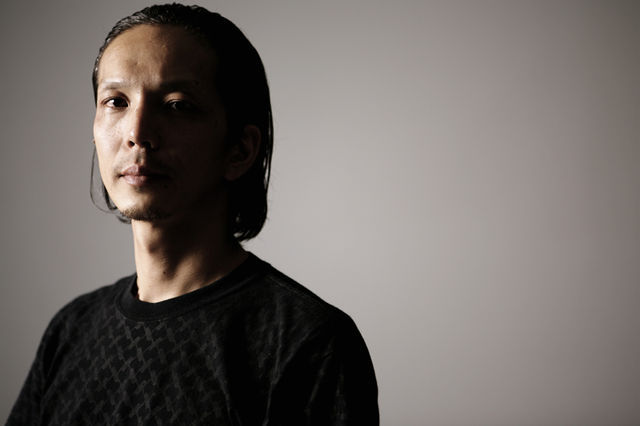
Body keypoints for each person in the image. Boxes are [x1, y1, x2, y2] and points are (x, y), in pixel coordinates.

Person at [8, 4, 378, 425]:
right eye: (116, 101)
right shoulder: (71, 330)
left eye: (177, 105)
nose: (137, 133)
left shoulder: (306, 342)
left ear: (240, 149)